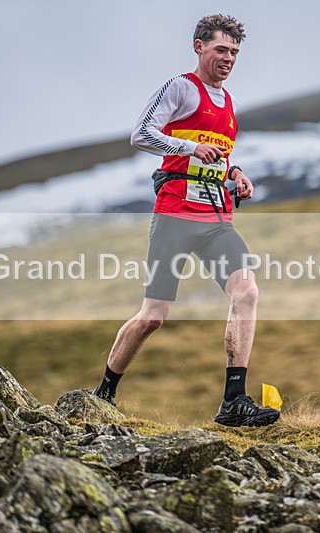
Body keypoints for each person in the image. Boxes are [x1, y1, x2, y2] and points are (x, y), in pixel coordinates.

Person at [91, 14, 279, 427]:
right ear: (199, 47)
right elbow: (141, 134)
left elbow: (220, 154)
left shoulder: (228, 104)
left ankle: (234, 401)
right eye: (220, 50)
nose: (228, 59)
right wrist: (188, 146)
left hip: (215, 219)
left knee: (246, 293)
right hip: (174, 216)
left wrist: (235, 174)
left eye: (234, 52)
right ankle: (103, 393)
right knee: (154, 316)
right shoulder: (181, 87)